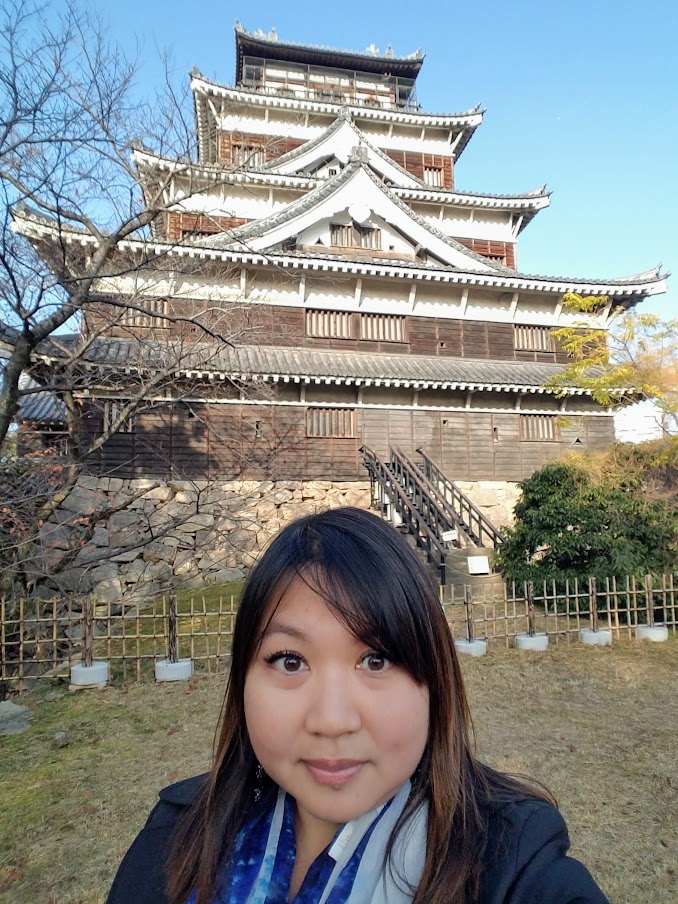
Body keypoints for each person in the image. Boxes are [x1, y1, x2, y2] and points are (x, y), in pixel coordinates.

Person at [106, 507, 609, 904]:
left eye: (376, 659)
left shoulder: (508, 859)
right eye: (288, 661)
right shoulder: (178, 832)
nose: (331, 721)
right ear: (242, 680)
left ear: (433, 681)